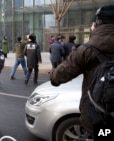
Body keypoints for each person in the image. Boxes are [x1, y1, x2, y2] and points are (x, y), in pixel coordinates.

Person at [49, 4, 114, 138]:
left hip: (99, 117)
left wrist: (53, 75)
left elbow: (60, 74)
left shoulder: (87, 49)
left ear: (97, 24)